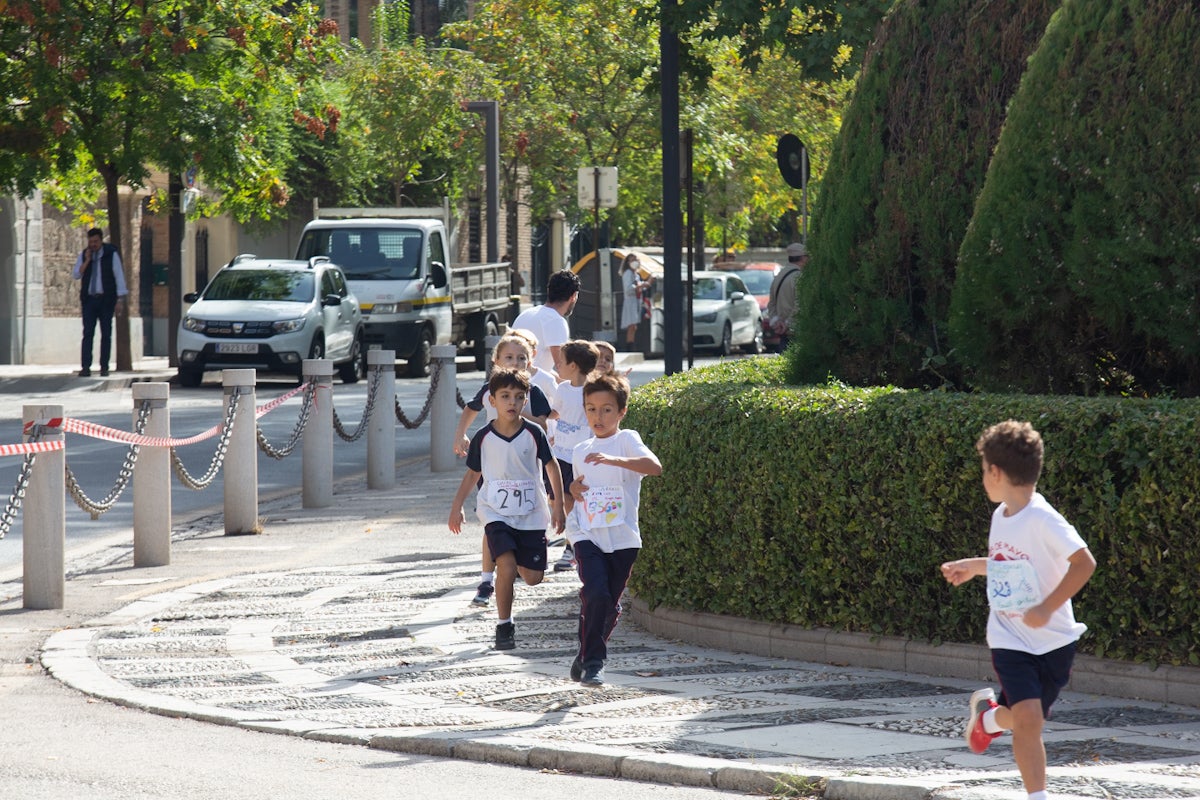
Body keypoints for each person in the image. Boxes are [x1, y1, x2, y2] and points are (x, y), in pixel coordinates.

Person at [940, 420, 1096, 800]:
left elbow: (1085, 563)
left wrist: (1046, 607)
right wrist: (974, 567)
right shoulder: (1002, 516)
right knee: (1029, 720)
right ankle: (1037, 796)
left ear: (995, 472)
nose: (983, 478)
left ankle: (989, 718)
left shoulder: (1045, 520)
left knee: (1026, 718)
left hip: (1055, 642)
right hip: (1009, 637)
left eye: (982, 471)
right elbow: (1008, 563)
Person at [448, 368, 565, 651]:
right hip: (495, 511)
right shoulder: (483, 437)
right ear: (492, 400)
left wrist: (558, 504)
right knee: (507, 566)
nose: (511, 403)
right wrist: (457, 507)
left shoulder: (534, 433)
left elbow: (552, 466)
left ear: (525, 401)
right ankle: (504, 625)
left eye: (518, 397)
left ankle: (523, 566)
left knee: (533, 577)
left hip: (531, 512)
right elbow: (472, 475)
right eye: (505, 396)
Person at [566, 373, 662, 686]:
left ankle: (585, 653)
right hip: (587, 534)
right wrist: (573, 488)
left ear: (621, 412)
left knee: (607, 602)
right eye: (591, 408)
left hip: (623, 539)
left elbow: (654, 467)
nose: (598, 416)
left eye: (606, 409)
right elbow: (578, 488)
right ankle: (595, 663)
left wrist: (615, 459)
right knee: (595, 593)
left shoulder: (627, 439)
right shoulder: (580, 449)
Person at [453, 334, 551, 608]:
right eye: (509, 357)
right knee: (492, 521)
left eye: (521, 358)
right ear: (496, 361)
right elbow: (470, 410)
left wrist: (517, 414)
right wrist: (460, 435)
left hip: (523, 465)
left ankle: (515, 558)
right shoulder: (490, 388)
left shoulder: (532, 390)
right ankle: (486, 578)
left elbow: (544, 421)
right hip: (492, 462)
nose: (516, 362)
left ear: (530, 361)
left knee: (516, 532)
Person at [548, 340, 600, 573]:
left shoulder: (593, 391)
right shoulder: (563, 389)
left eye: (562, 361)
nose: (557, 364)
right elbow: (556, 413)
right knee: (563, 501)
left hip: (582, 456)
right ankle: (573, 542)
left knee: (581, 501)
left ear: (575, 365)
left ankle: (577, 546)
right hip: (560, 453)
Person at [72, 227, 129, 377]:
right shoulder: (85, 255)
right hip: (89, 300)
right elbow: (76, 274)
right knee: (88, 333)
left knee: (106, 333)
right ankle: (86, 367)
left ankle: (104, 367)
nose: (93, 245)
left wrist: (120, 299)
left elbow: (119, 276)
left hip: (106, 300)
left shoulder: (111, 254)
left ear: (101, 240)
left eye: (96, 241)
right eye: (90, 242)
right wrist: (88, 260)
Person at [512, 269, 580, 380]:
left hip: (513, 383)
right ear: (574, 296)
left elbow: (539, 368)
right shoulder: (556, 321)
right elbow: (562, 368)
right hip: (532, 389)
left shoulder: (526, 314)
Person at [766, 242, 807, 351]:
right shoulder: (799, 277)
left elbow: (771, 304)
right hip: (795, 330)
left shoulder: (779, 275)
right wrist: (787, 323)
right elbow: (800, 304)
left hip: (782, 331)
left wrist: (777, 322)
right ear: (803, 258)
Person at [618, 253, 650, 352]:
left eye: (635, 259)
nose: (634, 262)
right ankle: (629, 347)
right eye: (632, 260)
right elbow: (628, 288)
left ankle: (631, 344)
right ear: (628, 262)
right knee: (631, 325)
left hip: (636, 301)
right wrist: (641, 286)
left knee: (634, 326)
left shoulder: (635, 274)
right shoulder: (628, 273)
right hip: (630, 301)